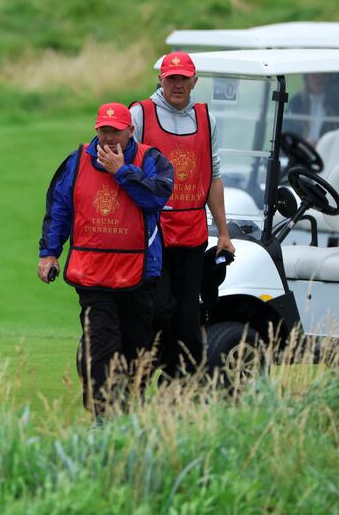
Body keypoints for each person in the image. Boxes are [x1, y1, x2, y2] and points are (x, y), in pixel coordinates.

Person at [38, 102, 173, 419]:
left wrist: (121, 172)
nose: (109, 137)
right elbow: (59, 208)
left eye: (116, 131)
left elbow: (157, 196)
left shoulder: (151, 160)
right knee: (102, 344)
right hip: (92, 273)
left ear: (131, 131)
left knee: (137, 346)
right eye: (104, 131)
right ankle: (103, 415)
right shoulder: (77, 161)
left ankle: (130, 408)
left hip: (138, 273)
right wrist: (49, 253)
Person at [130, 51, 235, 380]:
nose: (177, 84)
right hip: (153, 233)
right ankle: (141, 375)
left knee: (188, 319)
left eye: (183, 78)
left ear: (194, 81)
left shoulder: (206, 119)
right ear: (160, 79)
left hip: (192, 233)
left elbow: (213, 176)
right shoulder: (140, 115)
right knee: (158, 309)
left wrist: (223, 232)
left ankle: (177, 387)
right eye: (171, 78)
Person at [285, 73, 339, 144]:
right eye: (313, 75)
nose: (319, 79)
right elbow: (286, 131)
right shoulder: (296, 104)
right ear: (306, 78)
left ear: (329, 79)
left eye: (323, 75)